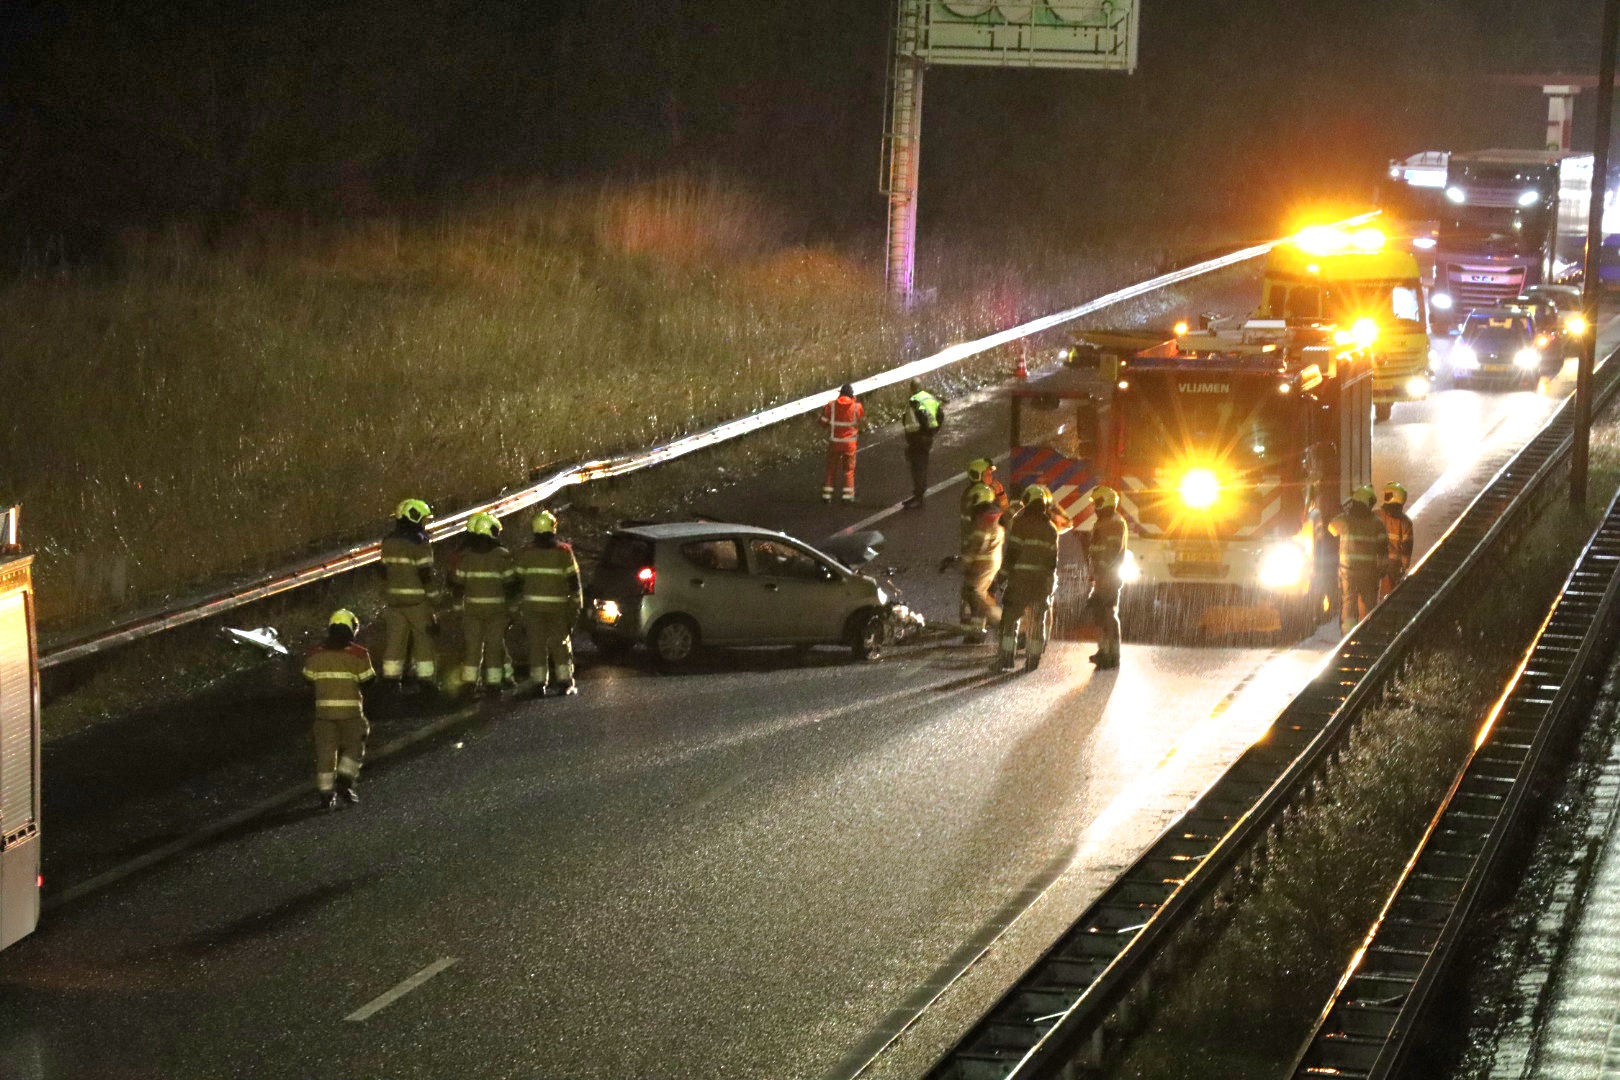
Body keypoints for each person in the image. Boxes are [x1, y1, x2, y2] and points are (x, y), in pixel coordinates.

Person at [302, 609, 374, 809]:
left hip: (323, 714)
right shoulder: (359, 654)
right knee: (355, 745)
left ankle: (326, 795)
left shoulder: (314, 654)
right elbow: (368, 680)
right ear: (352, 629)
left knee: (325, 753)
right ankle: (344, 781)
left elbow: (308, 679)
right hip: (351, 713)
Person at [994, 484, 1071, 673]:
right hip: (1040, 584)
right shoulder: (1051, 530)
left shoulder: (1021, 524)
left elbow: (1012, 554)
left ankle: (1006, 658)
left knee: (1010, 618)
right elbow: (1052, 561)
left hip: (1020, 582)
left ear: (1027, 503)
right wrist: (1048, 584)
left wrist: (1000, 578)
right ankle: (1033, 660)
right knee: (1037, 620)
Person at [514, 509, 583, 696]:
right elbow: (574, 582)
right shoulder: (564, 552)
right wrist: (576, 606)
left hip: (532, 608)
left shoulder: (526, 552)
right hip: (558, 607)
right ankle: (564, 681)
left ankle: (538, 683)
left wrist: (516, 607)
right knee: (560, 644)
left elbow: (517, 582)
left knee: (536, 645)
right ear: (553, 528)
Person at [451, 511, 517, 693]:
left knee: (472, 648)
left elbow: (458, 586)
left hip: (472, 612)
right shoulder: (502, 556)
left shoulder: (467, 558)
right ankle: (494, 684)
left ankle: (470, 683)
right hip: (497, 612)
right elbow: (511, 585)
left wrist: (458, 609)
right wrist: (513, 610)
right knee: (495, 647)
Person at [378, 497, 438, 692]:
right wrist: (435, 597)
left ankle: (391, 680)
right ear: (415, 517)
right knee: (423, 641)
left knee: (394, 642)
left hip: (394, 601)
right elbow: (425, 573)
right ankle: (426, 680)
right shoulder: (420, 542)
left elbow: (384, 571)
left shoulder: (388, 541)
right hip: (417, 602)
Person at [1327, 484, 1386, 633]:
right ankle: (1367, 632)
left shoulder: (1346, 520)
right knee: (1369, 602)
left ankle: (1348, 634)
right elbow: (1383, 548)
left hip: (1348, 571)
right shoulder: (1376, 522)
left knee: (1349, 601)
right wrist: (1383, 569)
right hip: (1369, 572)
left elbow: (1331, 528)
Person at [1086, 485, 1129, 669]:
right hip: (1104, 576)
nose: (1095, 507)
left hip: (1108, 577)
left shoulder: (1113, 522)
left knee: (1107, 614)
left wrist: (1100, 573)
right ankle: (1105, 651)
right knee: (1103, 614)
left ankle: (1111, 654)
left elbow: (1110, 552)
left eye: (1097, 502)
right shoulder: (1106, 521)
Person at [959, 489, 1005, 643]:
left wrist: (963, 562)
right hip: (991, 564)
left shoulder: (982, 525)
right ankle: (977, 629)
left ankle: (999, 621)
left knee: (975, 594)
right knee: (977, 594)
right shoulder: (994, 523)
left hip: (982, 565)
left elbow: (974, 548)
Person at [819, 382, 865, 503]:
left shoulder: (831, 406)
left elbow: (823, 422)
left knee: (831, 469)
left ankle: (827, 495)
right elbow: (860, 418)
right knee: (848, 470)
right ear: (851, 395)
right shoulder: (856, 406)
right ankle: (848, 496)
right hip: (849, 444)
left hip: (835, 442)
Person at [901, 379, 944, 507]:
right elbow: (940, 414)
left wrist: (921, 430)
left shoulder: (914, 401)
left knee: (917, 466)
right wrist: (933, 430)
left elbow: (917, 418)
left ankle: (918, 497)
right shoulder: (929, 397)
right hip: (927, 437)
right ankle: (919, 494)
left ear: (912, 388)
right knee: (922, 465)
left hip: (917, 437)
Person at [1377, 481, 1415, 598]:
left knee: (1367, 598)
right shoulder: (1406, 523)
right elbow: (1406, 549)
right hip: (1392, 566)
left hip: (1374, 561)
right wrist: (1404, 566)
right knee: (1387, 596)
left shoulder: (1376, 515)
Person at [960, 457, 1008, 542]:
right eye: (988, 474)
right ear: (978, 475)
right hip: (981, 546)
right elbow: (1003, 521)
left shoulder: (975, 492)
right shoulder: (981, 495)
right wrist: (1001, 495)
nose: (991, 478)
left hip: (978, 544)